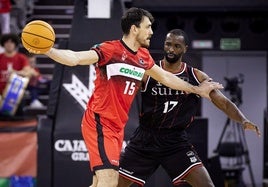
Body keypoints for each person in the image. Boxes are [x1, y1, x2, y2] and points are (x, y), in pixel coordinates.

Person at [39, 8, 223, 187]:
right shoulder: (110, 50)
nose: (151, 32)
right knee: (109, 180)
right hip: (100, 122)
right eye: (148, 26)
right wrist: (48, 50)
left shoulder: (143, 56)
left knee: (99, 182)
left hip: (117, 126)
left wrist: (196, 89)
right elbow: (75, 58)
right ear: (134, 29)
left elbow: (166, 78)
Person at [117, 29, 261, 187]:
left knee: (206, 185)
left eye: (177, 46)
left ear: (185, 48)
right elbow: (123, 92)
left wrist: (243, 119)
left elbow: (224, 102)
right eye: (168, 44)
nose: (171, 49)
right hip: (145, 139)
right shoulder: (149, 71)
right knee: (115, 184)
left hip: (175, 142)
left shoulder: (197, 76)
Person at [0, 33, 33, 115]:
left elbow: (27, 73)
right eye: (7, 42)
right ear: (3, 44)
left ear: (15, 44)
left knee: (19, 115)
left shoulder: (21, 58)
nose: (9, 44)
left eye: (11, 42)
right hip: (1, 94)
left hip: (16, 93)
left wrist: (16, 72)